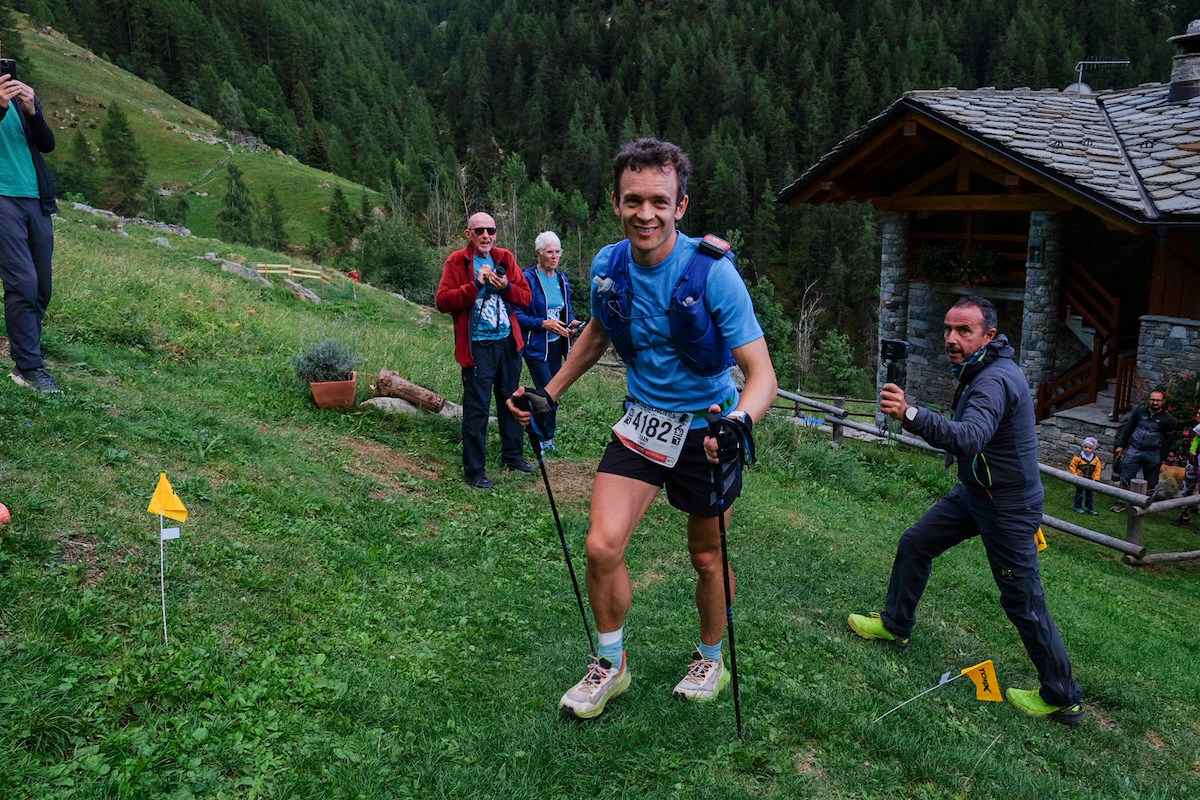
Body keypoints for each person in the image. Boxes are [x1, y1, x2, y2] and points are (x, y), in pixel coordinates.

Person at [509, 138, 777, 721]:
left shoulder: (714, 273)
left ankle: (710, 657)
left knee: (706, 557)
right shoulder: (608, 265)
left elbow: (762, 376)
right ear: (615, 202)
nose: (645, 213)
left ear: (680, 205)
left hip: (708, 431)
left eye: (659, 200)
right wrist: (547, 393)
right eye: (634, 200)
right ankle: (612, 663)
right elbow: (598, 336)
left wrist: (738, 423)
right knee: (601, 546)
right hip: (643, 422)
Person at [850, 296, 1085, 726]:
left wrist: (911, 413)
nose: (951, 339)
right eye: (947, 329)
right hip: (977, 492)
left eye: (964, 331)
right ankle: (895, 625)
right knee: (916, 542)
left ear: (989, 336)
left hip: (1008, 506)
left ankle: (1062, 696)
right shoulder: (982, 369)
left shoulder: (994, 379)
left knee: (1023, 600)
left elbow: (970, 437)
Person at [435, 212, 534, 489]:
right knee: (477, 410)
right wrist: (475, 285)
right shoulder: (457, 261)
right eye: (479, 231)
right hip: (477, 346)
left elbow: (526, 298)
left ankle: (513, 456)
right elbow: (442, 302)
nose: (486, 236)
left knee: (511, 401)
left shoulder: (505, 258)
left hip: (507, 343)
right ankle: (475, 471)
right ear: (469, 234)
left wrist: (506, 287)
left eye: (490, 230)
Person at [0, 71, 60, 392]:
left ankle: (28, 356)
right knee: (23, 282)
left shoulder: (16, 92)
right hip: (1, 196)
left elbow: (47, 145)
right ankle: (30, 367)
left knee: (41, 287)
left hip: (35, 197)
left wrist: (33, 111)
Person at [515, 231, 580, 454]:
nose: (555, 256)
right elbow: (517, 315)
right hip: (535, 347)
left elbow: (566, 310)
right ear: (538, 254)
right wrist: (543, 323)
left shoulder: (562, 279)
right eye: (549, 252)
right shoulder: (527, 279)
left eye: (558, 252)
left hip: (555, 346)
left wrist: (571, 322)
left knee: (554, 394)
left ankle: (546, 437)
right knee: (547, 395)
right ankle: (539, 436)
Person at [1110, 389, 1176, 513]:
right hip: (1134, 449)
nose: (1155, 402)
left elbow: (1169, 439)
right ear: (1149, 400)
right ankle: (1122, 502)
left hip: (1153, 452)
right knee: (1126, 476)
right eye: (1153, 399)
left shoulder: (1168, 419)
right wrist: (1121, 445)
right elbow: (1129, 428)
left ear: (1163, 402)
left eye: (1158, 400)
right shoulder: (1140, 412)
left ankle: (1144, 505)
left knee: (1151, 481)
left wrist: (1162, 456)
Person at [1169, 407, 1200, 530]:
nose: (1197, 415)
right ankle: (1184, 516)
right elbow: (1197, 439)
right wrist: (1192, 452)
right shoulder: (1199, 427)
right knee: (1188, 488)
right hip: (1195, 462)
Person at [1068, 437, 1102, 515]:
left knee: (1090, 494)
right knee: (1079, 493)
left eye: (1090, 448)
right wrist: (1075, 476)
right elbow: (1072, 466)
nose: (1087, 449)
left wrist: (1096, 479)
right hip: (1080, 478)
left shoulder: (1095, 459)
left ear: (1093, 449)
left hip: (1090, 479)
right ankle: (1078, 506)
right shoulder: (1078, 457)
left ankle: (1090, 508)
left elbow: (1098, 469)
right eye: (1085, 447)